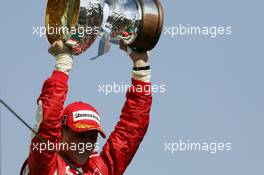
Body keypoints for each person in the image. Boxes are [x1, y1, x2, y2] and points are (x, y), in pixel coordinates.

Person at [20, 40, 152, 175]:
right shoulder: (44, 165)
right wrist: (63, 62)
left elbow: (131, 130)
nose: (86, 143)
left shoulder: (101, 169)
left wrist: (141, 68)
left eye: (92, 137)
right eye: (80, 135)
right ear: (61, 132)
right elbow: (48, 123)